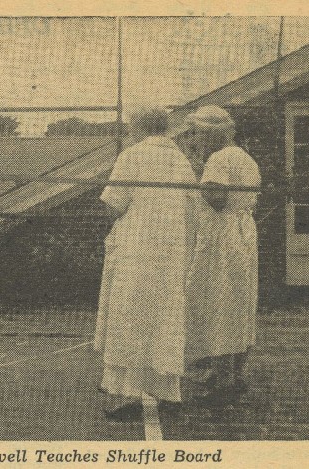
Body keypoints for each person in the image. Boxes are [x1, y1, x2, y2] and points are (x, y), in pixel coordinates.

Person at [93, 108, 198, 420]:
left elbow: (113, 204)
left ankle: (129, 396)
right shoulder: (180, 159)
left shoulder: (132, 156)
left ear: (138, 127)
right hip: (172, 251)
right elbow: (193, 209)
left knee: (131, 316)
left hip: (137, 250)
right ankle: (168, 393)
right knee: (165, 317)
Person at [183, 106, 261, 403]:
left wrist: (196, 177)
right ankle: (232, 373)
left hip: (223, 233)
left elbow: (216, 198)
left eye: (198, 134)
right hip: (242, 231)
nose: (196, 140)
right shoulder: (244, 156)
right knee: (238, 301)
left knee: (218, 300)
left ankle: (224, 380)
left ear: (210, 134)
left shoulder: (218, 159)